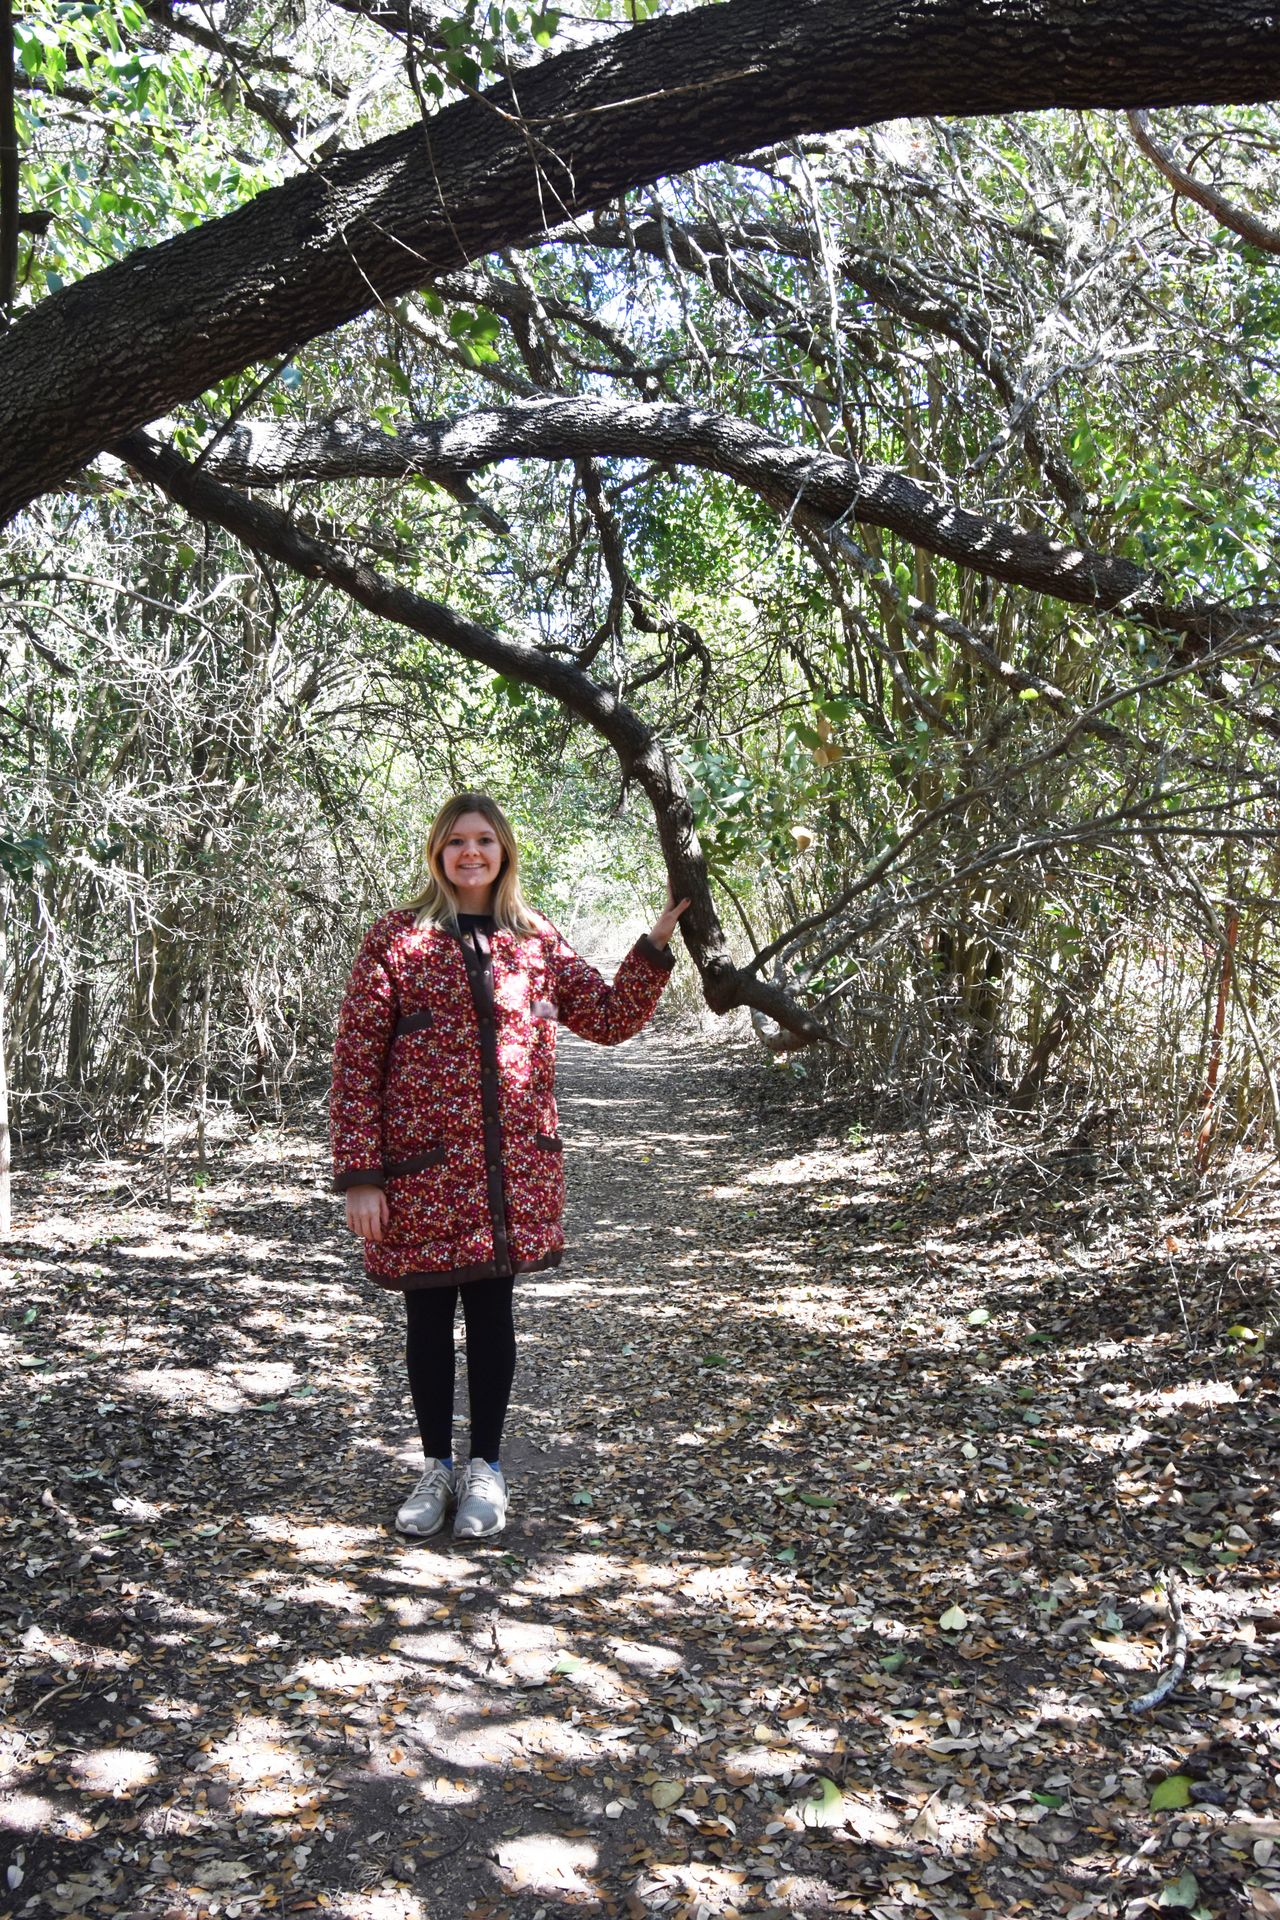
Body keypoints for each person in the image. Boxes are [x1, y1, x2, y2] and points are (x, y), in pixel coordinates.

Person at [330, 791, 689, 1541]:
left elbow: (611, 1017)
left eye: (485, 841)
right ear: (437, 851)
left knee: (493, 1315)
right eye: (457, 841)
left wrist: (656, 941)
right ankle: (435, 1467)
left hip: (510, 1173)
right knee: (426, 1317)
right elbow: (357, 1064)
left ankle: (485, 1469)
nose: (471, 854)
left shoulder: (534, 939)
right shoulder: (396, 940)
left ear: (504, 852)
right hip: (419, 1174)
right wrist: (361, 1174)